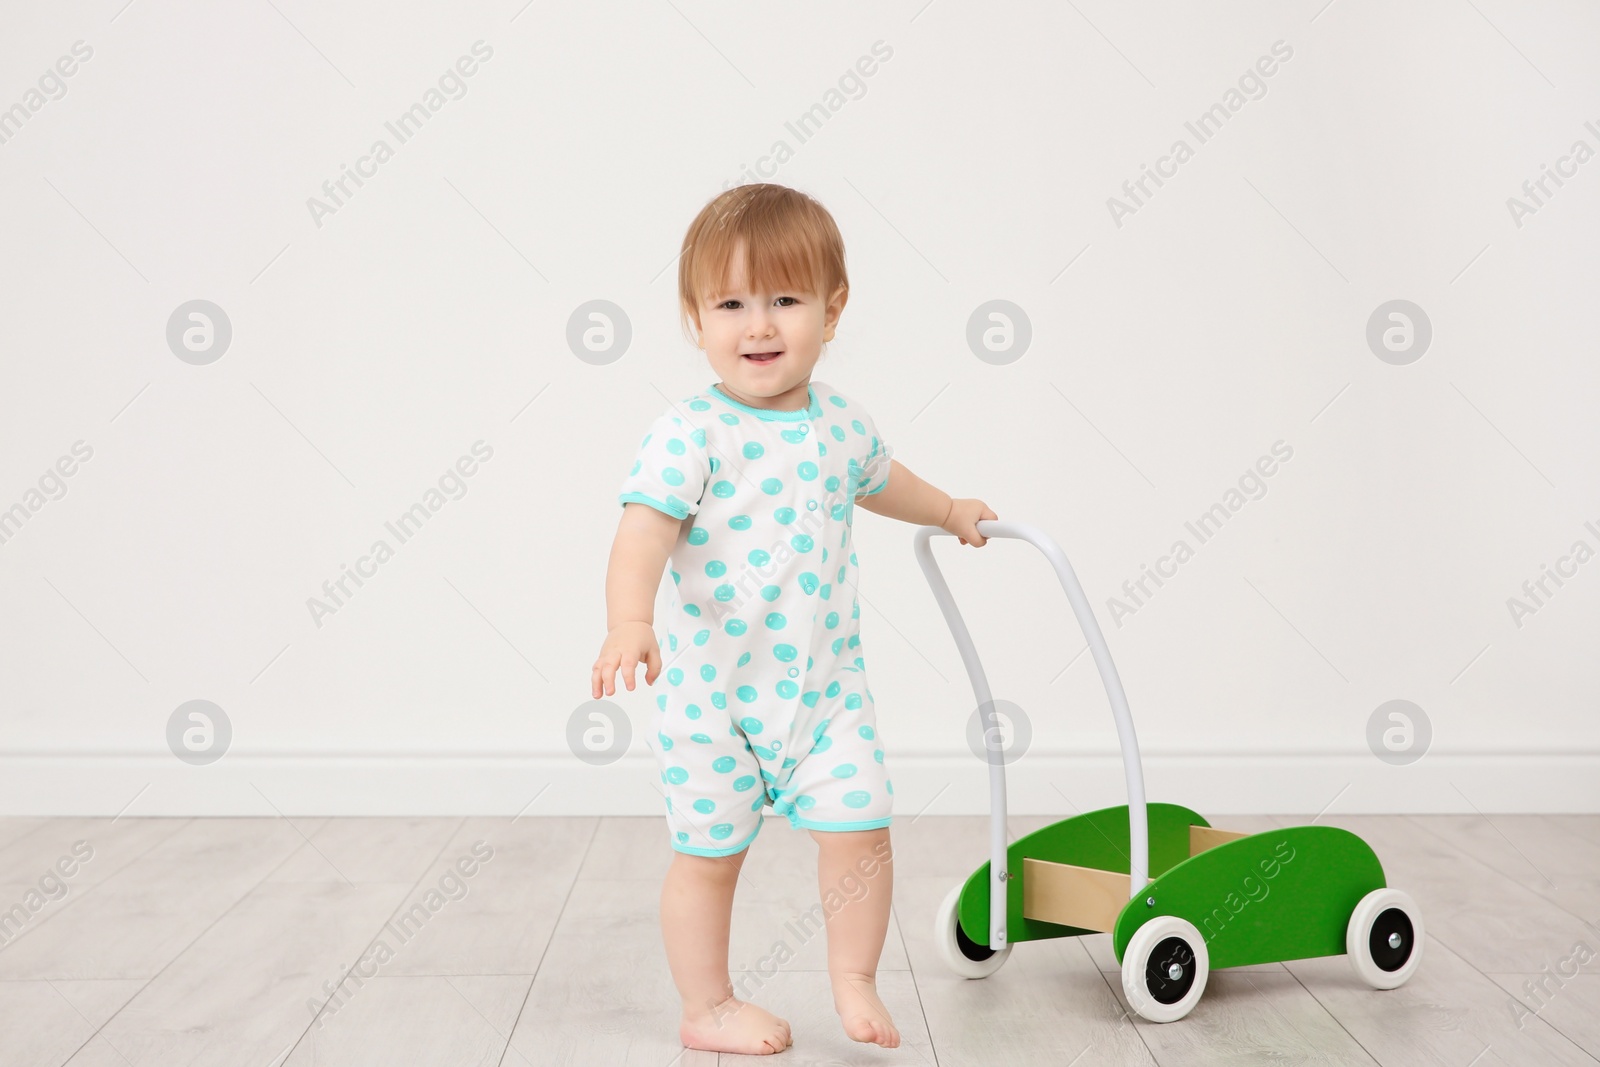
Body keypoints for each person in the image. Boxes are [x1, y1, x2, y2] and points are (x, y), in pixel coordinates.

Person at [592, 182, 997, 1055]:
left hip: (824, 693)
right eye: (731, 303)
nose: (759, 325)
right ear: (695, 319)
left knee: (862, 827)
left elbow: (889, 482)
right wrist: (630, 618)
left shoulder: (841, 425)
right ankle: (707, 1006)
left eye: (785, 299)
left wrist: (950, 507)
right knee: (708, 857)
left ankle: (853, 978)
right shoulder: (690, 433)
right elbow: (643, 533)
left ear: (832, 309)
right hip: (714, 699)